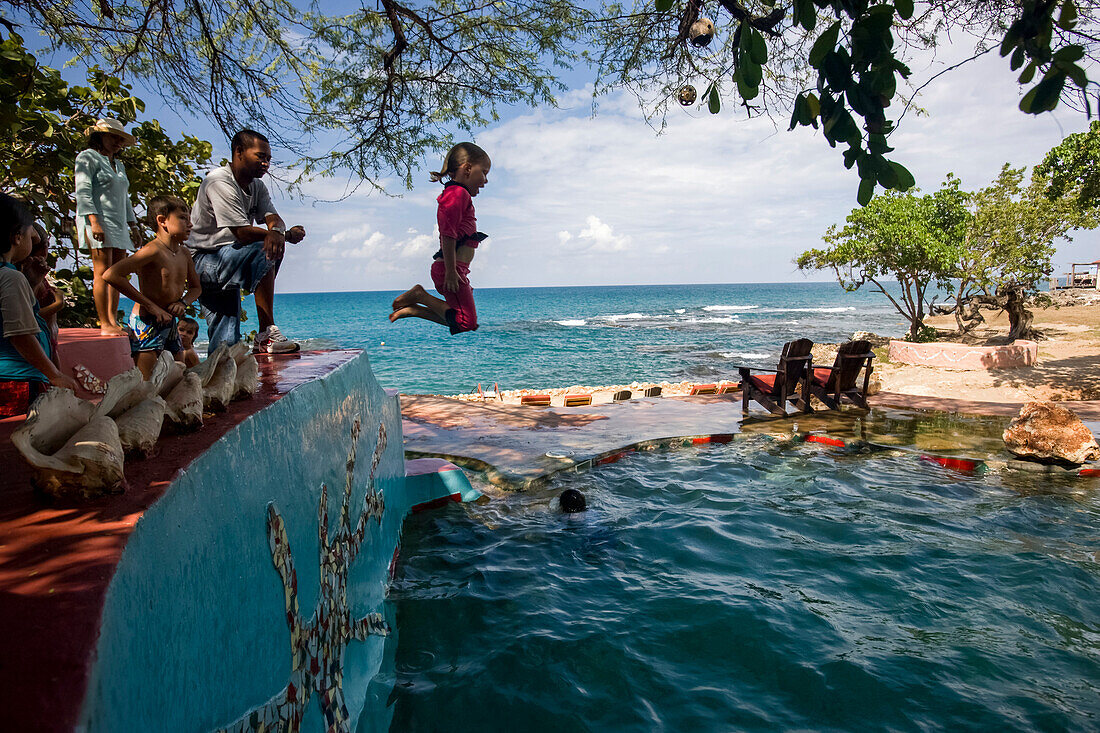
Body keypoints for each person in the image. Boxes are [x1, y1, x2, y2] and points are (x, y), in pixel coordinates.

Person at [188, 129, 305, 354]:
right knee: (264, 248)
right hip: (204, 261)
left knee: (225, 345)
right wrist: (284, 236)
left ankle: (218, 386)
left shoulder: (257, 187)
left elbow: (273, 218)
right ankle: (266, 331)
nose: (266, 163)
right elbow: (241, 233)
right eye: (260, 156)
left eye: (269, 159)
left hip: (229, 261)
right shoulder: (219, 181)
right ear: (239, 152)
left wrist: (278, 231)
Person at [390, 142, 490, 334]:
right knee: (466, 322)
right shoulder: (457, 194)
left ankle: (415, 309)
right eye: (484, 172)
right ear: (468, 168)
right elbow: (448, 235)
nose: (485, 180)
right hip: (450, 269)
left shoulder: (459, 194)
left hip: (456, 269)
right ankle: (420, 297)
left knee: (465, 322)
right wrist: (452, 272)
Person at [103, 196, 201, 379]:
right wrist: (150, 306)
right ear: (162, 221)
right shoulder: (153, 250)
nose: (190, 225)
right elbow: (111, 274)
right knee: (146, 381)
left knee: (177, 374)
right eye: (183, 218)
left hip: (170, 321)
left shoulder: (184, 253)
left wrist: (183, 302)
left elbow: (196, 288)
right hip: (147, 321)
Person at [0, 193, 77, 417]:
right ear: (16, 237)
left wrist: (32, 283)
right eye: (29, 237)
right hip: (18, 379)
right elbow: (21, 335)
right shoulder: (10, 277)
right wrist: (54, 374)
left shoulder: (11, 277)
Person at [74, 118, 141, 336]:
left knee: (117, 274)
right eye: (113, 137)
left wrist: (134, 225)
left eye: (120, 138)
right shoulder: (87, 157)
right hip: (98, 219)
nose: (117, 142)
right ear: (100, 136)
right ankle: (104, 322)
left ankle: (113, 320)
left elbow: (125, 198)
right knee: (102, 272)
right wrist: (94, 221)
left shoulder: (119, 165)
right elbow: (83, 191)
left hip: (119, 221)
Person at [20, 223, 64, 365]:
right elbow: (28, 319)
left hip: (47, 342)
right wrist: (58, 304)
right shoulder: (20, 276)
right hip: (35, 347)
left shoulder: (37, 274)